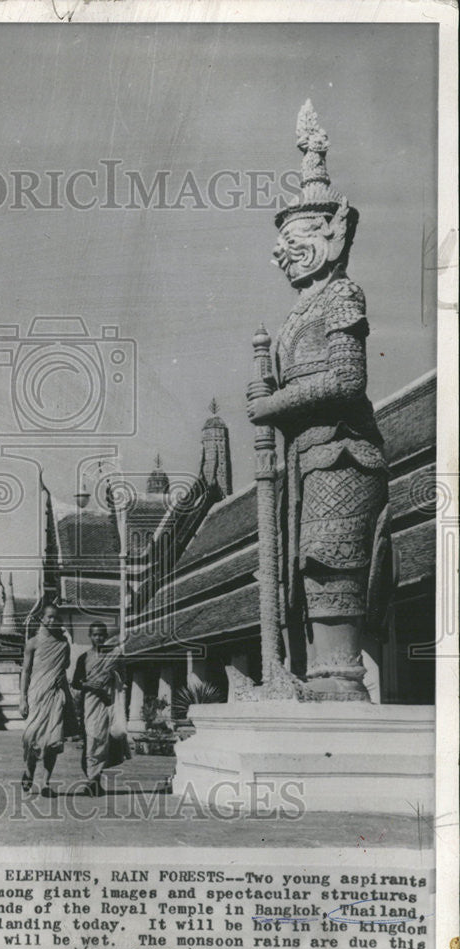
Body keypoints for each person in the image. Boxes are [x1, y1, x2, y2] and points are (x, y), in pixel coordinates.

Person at [246, 101, 390, 698]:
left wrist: (273, 407)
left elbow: (346, 381)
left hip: (341, 453)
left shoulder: (342, 295)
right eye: (279, 242)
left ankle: (339, 677)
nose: (282, 252)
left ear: (328, 237)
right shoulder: (295, 314)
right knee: (304, 564)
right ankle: (311, 673)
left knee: (332, 559)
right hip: (304, 459)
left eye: (295, 237)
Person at [71, 622, 131, 796]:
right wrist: (91, 684)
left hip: (109, 702)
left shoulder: (115, 655)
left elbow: (123, 677)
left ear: (106, 637)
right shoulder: (84, 658)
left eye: (101, 635)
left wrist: (111, 678)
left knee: (104, 741)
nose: (98, 638)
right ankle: (92, 779)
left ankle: (94, 781)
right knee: (92, 738)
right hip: (90, 704)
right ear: (90, 636)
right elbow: (76, 683)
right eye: (95, 635)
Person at [20, 604, 71, 796]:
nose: (53, 621)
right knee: (31, 738)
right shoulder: (32, 643)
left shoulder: (64, 644)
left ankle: (45, 784)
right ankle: (28, 772)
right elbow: (25, 671)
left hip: (55, 695)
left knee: (53, 741)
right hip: (36, 695)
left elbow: (65, 665)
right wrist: (22, 698)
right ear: (42, 618)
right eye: (49, 617)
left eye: (56, 618)